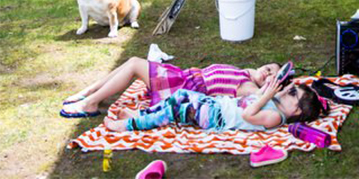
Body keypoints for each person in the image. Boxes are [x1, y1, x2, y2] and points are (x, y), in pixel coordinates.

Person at [60, 57, 280, 117]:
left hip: (184, 87)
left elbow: (259, 96)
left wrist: (270, 86)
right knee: (132, 63)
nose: (266, 72)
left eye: (271, 75)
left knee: (135, 64)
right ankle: (89, 92)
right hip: (183, 76)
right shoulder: (246, 73)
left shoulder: (249, 87)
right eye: (268, 68)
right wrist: (262, 73)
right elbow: (255, 71)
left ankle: (90, 103)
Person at [103, 77, 326, 133]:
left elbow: (249, 115)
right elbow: (253, 98)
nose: (287, 90)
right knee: (180, 95)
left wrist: (266, 96)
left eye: (292, 93)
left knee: (175, 111)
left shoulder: (276, 117)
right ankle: (141, 114)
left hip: (216, 117)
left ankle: (130, 126)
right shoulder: (272, 101)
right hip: (216, 104)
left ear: (295, 110)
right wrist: (265, 89)